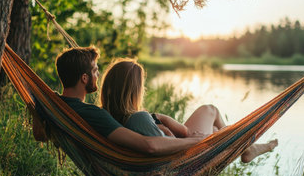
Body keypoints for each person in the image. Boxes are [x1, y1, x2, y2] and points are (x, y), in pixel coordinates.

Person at [33, 47, 204, 156]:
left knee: (210, 119)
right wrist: (195, 142)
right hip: (149, 171)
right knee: (210, 113)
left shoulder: (52, 105)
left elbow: (39, 135)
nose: (98, 76)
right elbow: (148, 145)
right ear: (84, 78)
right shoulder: (93, 113)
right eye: (95, 71)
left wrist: (39, 105)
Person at [99, 58, 278, 163]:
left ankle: (243, 147)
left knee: (216, 130)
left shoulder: (110, 121)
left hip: (180, 151)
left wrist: (161, 119)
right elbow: (178, 137)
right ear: (135, 91)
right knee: (210, 109)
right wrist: (194, 140)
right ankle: (245, 148)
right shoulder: (138, 119)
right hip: (185, 157)